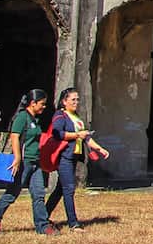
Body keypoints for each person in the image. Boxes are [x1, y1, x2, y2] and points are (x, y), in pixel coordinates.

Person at [0, 88, 57, 236]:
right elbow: (14, 136)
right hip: (23, 163)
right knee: (11, 194)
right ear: (33, 103)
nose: (44, 107)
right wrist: (17, 158)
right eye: (42, 104)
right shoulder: (22, 117)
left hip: (35, 163)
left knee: (39, 194)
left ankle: (42, 226)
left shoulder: (34, 119)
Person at [45, 87, 109, 232]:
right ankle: (73, 223)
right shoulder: (60, 116)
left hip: (74, 156)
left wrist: (99, 149)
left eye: (77, 99)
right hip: (64, 157)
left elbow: (85, 136)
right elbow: (57, 134)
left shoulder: (76, 117)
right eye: (73, 99)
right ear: (64, 101)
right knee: (69, 188)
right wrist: (76, 135)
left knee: (60, 189)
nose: (76, 102)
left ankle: (43, 215)